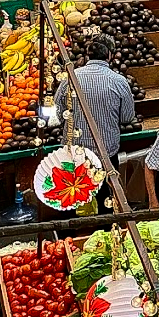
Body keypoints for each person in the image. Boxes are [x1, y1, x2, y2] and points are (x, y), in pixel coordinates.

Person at [54, 35, 136, 213]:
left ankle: (77, 235)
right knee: (106, 199)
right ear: (110, 56)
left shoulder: (69, 79)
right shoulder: (119, 81)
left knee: (75, 195)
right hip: (105, 153)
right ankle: (105, 232)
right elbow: (127, 117)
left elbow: (59, 114)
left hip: (75, 152)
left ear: (87, 56)